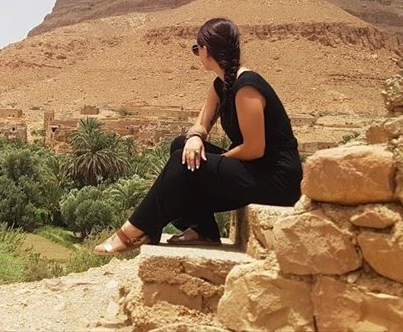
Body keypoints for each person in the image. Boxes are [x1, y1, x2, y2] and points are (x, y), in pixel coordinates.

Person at [94, 17, 303, 255]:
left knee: (183, 162)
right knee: (181, 146)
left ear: (206, 50)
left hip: (276, 179)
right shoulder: (221, 85)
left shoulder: (246, 87)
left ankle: (133, 231)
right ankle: (203, 229)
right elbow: (201, 123)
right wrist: (195, 138)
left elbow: (255, 148)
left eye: (197, 49)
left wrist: (215, 163)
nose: (197, 54)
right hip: (254, 168)